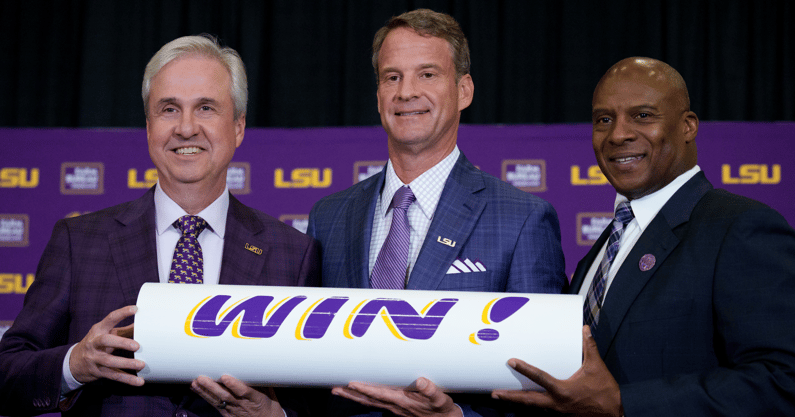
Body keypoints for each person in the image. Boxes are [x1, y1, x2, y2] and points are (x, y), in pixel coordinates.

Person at [0, 35, 320, 417]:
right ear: (149, 128)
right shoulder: (78, 242)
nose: (186, 128)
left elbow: (316, 399)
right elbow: (8, 374)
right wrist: (75, 364)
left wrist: (273, 414)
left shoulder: (293, 253)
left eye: (205, 108)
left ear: (238, 127)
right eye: (169, 109)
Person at [491, 57, 795, 416]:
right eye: (604, 119)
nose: (618, 134)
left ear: (688, 126)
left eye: (643, 116)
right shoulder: (605, 247)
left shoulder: (741, 228)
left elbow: (782, 382)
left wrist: (624, 404)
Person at [306, 9, 567, 417]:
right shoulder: (329, 216)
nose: (406, 91)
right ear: (377, 96)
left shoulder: (523, 220)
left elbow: (543, 391)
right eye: (392, 77)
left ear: (463, 91)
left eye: (427, 74)